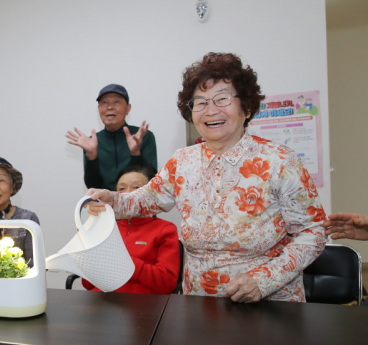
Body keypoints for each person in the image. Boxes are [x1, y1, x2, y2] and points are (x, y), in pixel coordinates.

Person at [85, 53, 326, 303]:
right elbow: (145, 200)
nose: (211, 111)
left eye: (222, 98)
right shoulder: (182, 161)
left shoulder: (279, 161)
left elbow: (314, 231)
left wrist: (264, 279)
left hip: (270, 302)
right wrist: (110, 199)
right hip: (200, 304)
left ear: (247, 106)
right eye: (200, 102)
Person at [82, 165, 180, 294]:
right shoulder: (104, 228)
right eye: (121, 188)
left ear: (150, 195)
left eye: (137, 188)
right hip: (102, 303)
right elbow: (87, 284)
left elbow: (166, 284)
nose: (128, 193)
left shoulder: (165, 229)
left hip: (141, 306)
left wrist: (127, 263)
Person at [66, 84, 158, 191]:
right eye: (104, 103)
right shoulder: (92, 142)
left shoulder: (143, 136)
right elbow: (93, 186)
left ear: (128, 109)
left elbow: (152, 181)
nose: (110, 107)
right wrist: (91, 156)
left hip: (136, 204)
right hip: (105, 205)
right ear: (99, 109)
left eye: (116, 102)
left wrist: (135, 153)